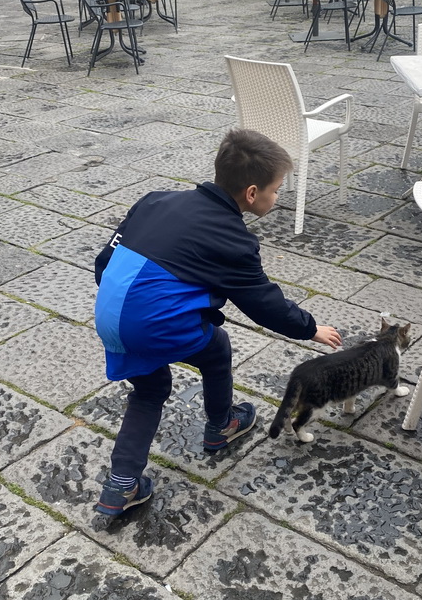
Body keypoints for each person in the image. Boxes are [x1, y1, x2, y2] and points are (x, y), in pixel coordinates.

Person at [92, 128, 342, 524]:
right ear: (252, 193)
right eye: (276, 190)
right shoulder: (232, 238)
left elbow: (105, 259)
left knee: (151, 387)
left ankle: (121, 485)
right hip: (152, 323)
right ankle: (222, 424)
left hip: (110, 313)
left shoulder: (155, 200)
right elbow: (263, 303)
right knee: (217, 346)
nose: (277, 198)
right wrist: (310, 328)